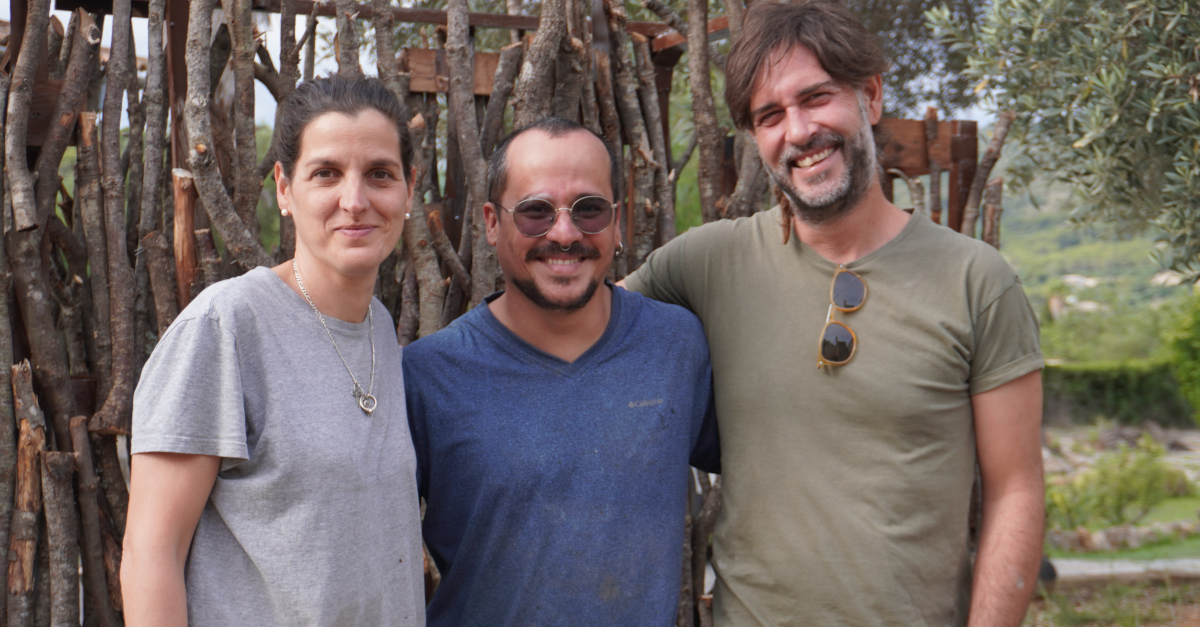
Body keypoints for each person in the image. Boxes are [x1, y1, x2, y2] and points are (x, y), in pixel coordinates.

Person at [622, 2, 1045, 626]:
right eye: (770, 116)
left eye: (816, 98)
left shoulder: (977, 281)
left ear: (869, 97)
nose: (798, 131)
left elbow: (1016, 489)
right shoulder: (703, 264)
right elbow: (578, 336)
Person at [121, 77, 424, 627]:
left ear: (408, 189)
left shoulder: (377, 326)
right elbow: (150, 554)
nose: (355, 201)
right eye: (326, 173)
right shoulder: (226, 327)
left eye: (380, 174)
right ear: (284, 189)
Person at [402, 117, 719, 626]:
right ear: (490, 222)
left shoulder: (676, 347)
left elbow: (766, 472)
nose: (565, 233)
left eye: (589, 210)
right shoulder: (427, 377)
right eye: (535, 212)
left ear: (618, 221)